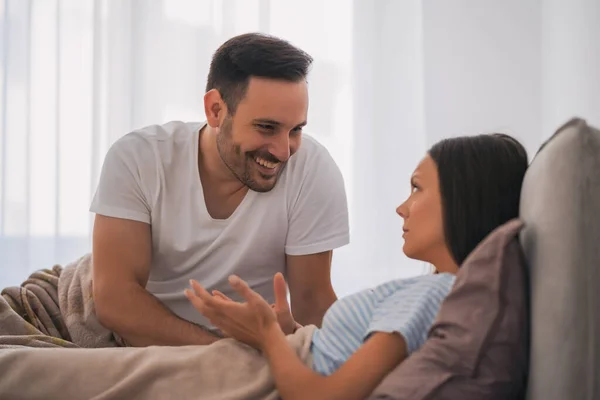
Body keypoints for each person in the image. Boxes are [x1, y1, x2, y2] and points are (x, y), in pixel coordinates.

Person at [186, 133, 529, 399]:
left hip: (259, 378)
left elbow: (324, 395)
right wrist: (288, 330)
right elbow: (338, 357)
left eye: (416, 188)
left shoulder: (436, 294)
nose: (402, 208)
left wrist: (267, 335)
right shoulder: (437, 295)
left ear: (463, 200)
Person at [89, 33, 350, 347]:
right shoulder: (139, 158)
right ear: (215, 109)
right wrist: (221, 351)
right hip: (146, 338)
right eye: (266, 127)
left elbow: (312, 301)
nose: (283, 151)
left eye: (296, 130)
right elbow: (114, 299)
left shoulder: (312, 169)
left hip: (250, 347)